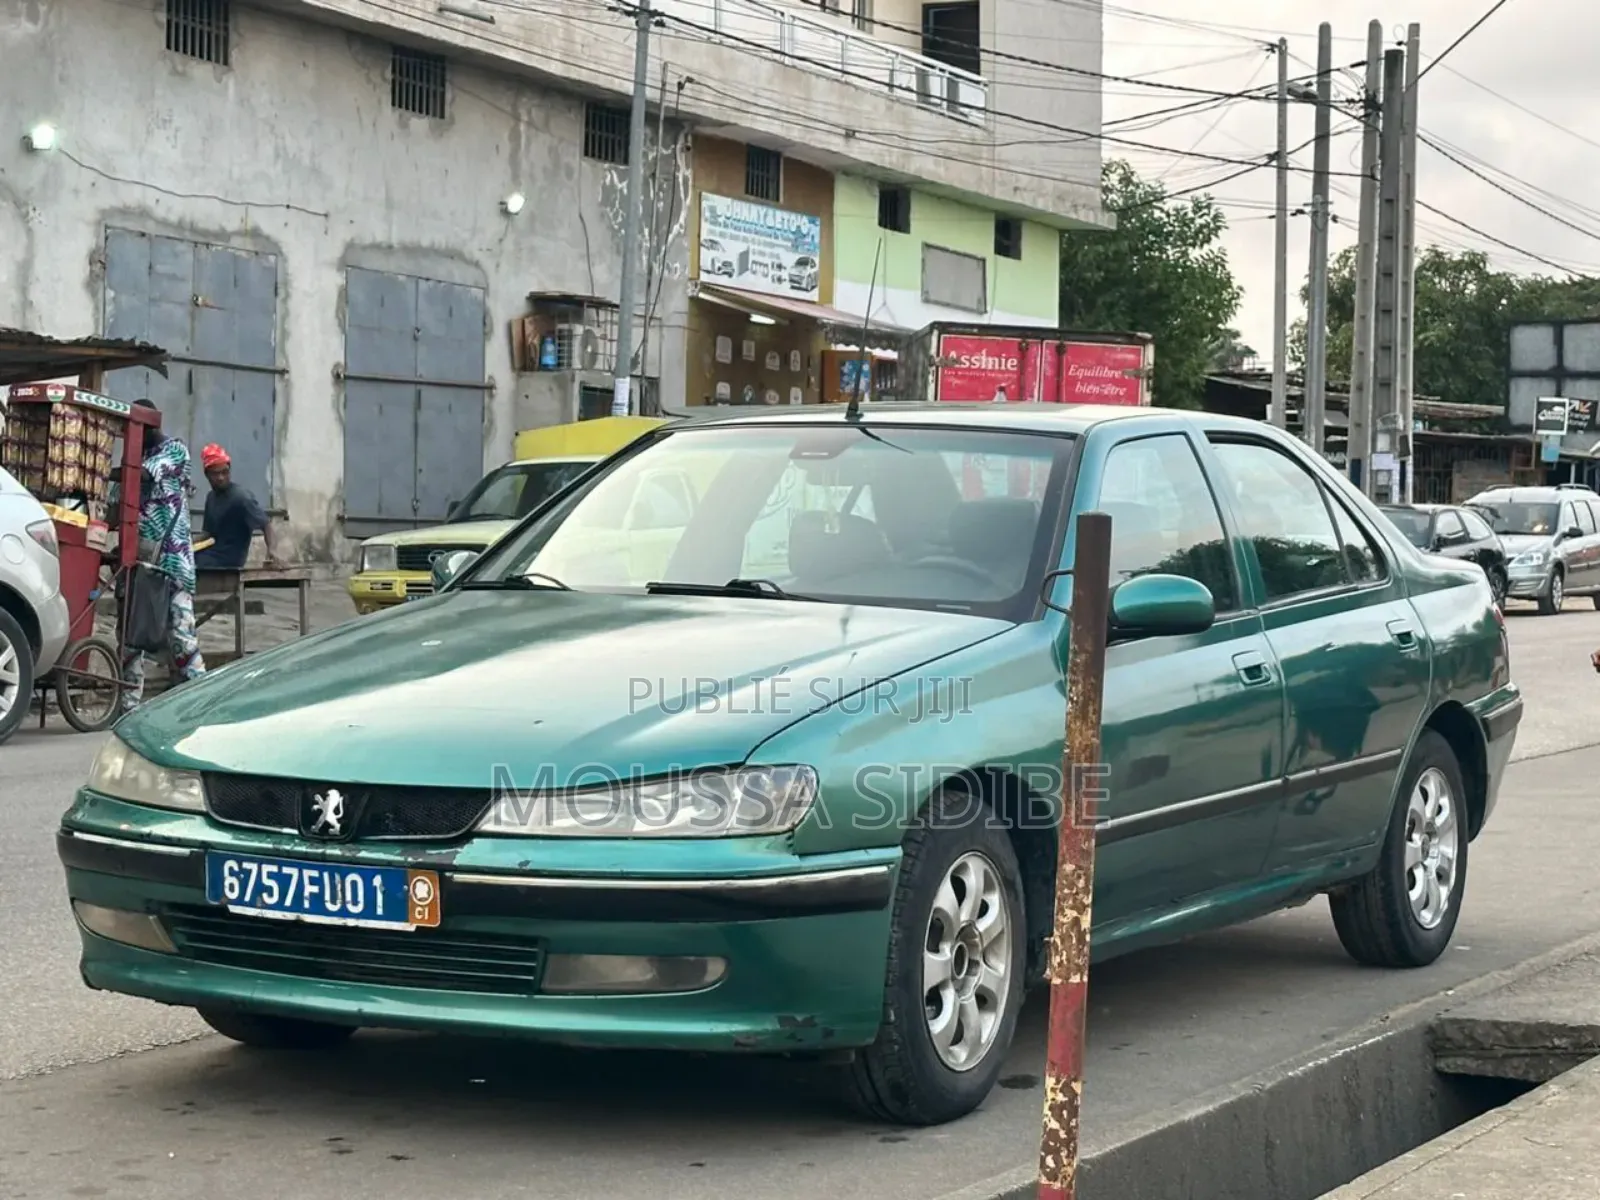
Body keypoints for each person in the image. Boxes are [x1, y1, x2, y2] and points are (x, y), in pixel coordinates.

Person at [120, 402, 206, 713]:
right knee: (131, 636)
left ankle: (199, 699)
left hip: (173, 560)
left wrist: (116, 471)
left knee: (182, 635)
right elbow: (120, 497)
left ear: (148, 427)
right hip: (141, 560)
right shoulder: (136, 456)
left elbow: (142, 476)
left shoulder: (175, 451)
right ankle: (129, 705)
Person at [195, 443, 282, 570]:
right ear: (206, 475)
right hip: (211, 553)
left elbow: (266, 525)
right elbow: (207, 533)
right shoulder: (211, 498)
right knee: (179, 558)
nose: (221, 478)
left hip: (229, 559)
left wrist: (272, 551)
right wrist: (185, 545)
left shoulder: (241, 498)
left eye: (225, 472)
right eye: (215, 474)